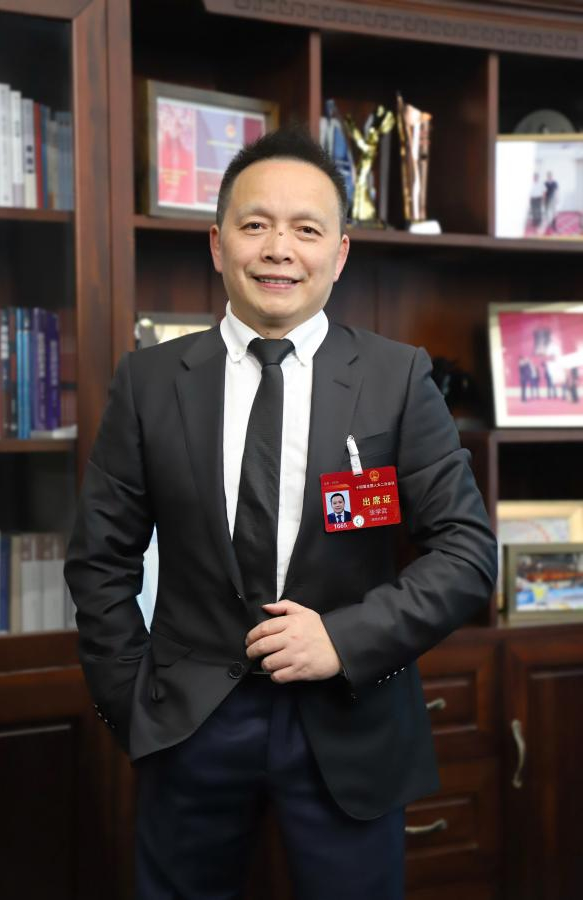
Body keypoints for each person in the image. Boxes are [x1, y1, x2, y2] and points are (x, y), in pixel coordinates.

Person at [64, 125, 497, 900]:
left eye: (306, 229)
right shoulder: (150, 381)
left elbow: (467, 555)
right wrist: (130, 703)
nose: (278, 250)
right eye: (256, 224)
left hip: (352, 718)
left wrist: (343, 638)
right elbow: (100, 560)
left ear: (340, 252)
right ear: (217, 242)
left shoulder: (396, 379)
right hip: (188, 724)